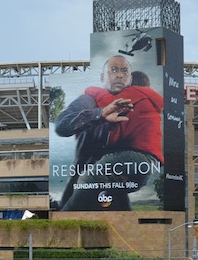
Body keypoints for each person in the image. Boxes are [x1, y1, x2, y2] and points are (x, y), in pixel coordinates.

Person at [54, 54, 164, 211]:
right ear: (102, 77)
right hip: (87, 188)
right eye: (113, 70)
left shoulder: (130, 103)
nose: (119, 75)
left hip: (112, 186)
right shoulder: (90, 99)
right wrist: (99, 114)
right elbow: (61, 125)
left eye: (125, 71)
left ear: (130, 78)